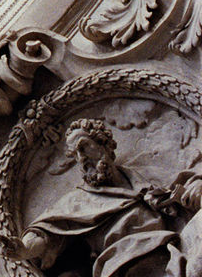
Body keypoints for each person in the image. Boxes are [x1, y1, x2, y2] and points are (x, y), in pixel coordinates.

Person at [17, 117, 202, 277]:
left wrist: (197, 187)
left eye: (84, 147)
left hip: (170, 249)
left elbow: (182, 186)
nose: (81, 158)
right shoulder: (78, 201)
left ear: (103, 143)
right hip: (126, 265)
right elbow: (47, 232)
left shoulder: (143, 175)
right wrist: (24, 249)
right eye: (75, 155)